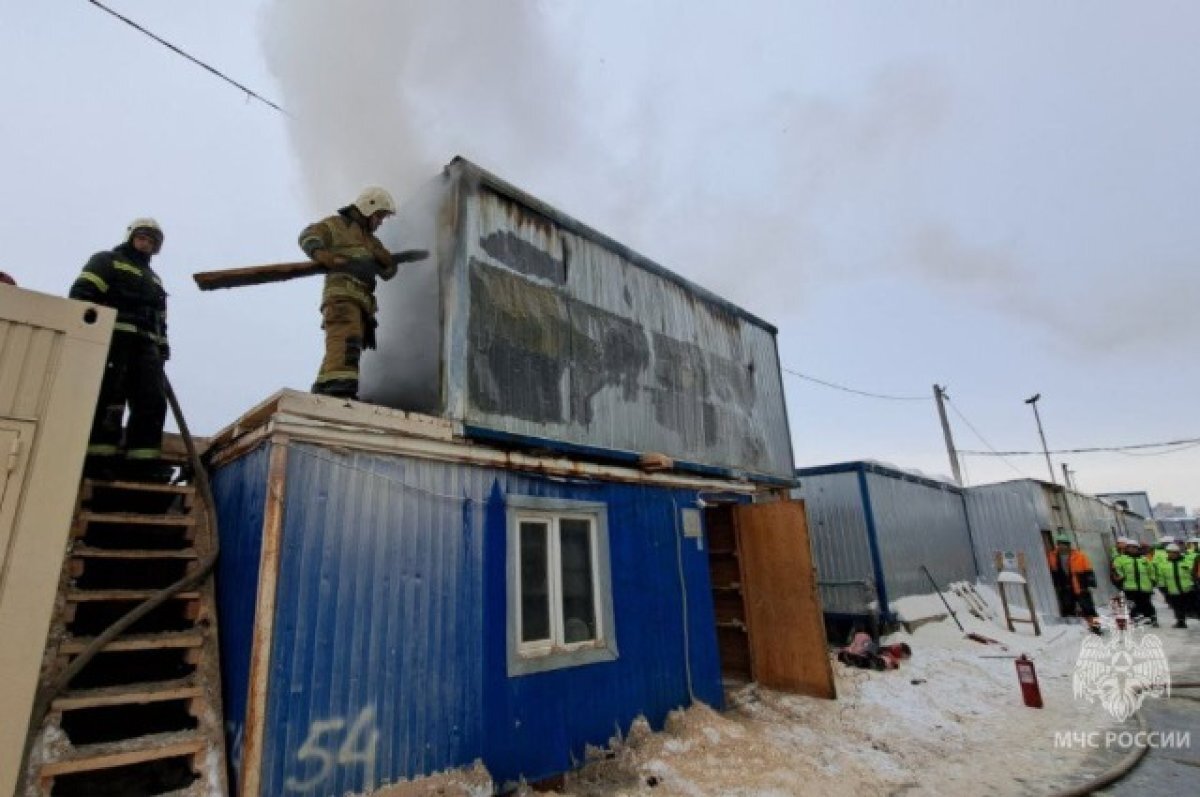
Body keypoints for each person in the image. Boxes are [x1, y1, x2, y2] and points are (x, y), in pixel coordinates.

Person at [69, 218, 171, 481]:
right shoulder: (107, 261)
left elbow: (161, 318)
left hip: (146, 346)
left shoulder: (154, 279)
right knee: (110, 399)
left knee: (152, 402)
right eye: (142, 238)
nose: (146, 244)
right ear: (131, 237)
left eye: (152, 241)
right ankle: (99, 460)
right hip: (114, 340)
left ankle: (142, 464)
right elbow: (82, 294)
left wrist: (163, 348)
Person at [299, 186, 399, 399]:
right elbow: (308, 235)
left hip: (360, 304)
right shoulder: (337, 225)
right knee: (347, 342)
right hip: (342, 299)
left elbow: (387, 274)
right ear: (368, 207)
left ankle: (324, 389)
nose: (380, 222)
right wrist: (321, 254)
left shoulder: (372, 242)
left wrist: (388, 263)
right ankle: (340, 393)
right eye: (380, 216)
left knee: (340, 347)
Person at [1046, 532, 1100, 631]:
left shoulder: (1080, 556)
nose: (1062, 546)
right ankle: (1074, 630)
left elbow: (1089, 570)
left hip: (1080, 585)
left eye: (1064, 544)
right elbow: (1053, 570)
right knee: (1068, 608)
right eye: (1060, 544)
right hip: (1065, 586)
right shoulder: (1052, 556)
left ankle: (1096, 627)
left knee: (1089, 608)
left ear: (1068, 545)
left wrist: (1090, 583)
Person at [1112, 541, 1159, 627]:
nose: (1133, 549)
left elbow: (1151, 570)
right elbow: (1117, 570)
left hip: (1145, 586)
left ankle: (1152, 618)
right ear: (1127, 549)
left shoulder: (1144, 559)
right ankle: (1135, 618)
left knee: (1146, 603)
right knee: (1133, 604)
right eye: (1130, 547)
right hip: (1130, 586)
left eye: (1135, 548)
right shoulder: (1120, 559)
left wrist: (1153, 580)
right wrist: (1120, 580)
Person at [1153, 543, 1194, 629]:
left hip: (1187, 589)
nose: (1172, 554)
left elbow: (1193, 573)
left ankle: (1185, 619)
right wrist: (1163, 587)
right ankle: (1181, 621)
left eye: (1174, 552)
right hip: (1173, 589)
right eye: (1170, 553)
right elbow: (1161, 577)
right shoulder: (1163, 565)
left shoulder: (1187, 562)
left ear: (1178, 553)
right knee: (1177, 606)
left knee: (1190, 606)